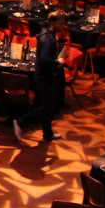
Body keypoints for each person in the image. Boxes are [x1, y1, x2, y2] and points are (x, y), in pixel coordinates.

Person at [13, 12, 67, 143]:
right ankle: (20, 122)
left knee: (47, 105)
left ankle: (47, 133)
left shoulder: (47, 35)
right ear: (53, 23)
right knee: (46, 107)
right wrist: (58, 62)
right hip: (45, 76)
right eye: (60, 23)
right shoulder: (48, 39)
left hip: (42, 75)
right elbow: (44, 60)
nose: (63, 26)